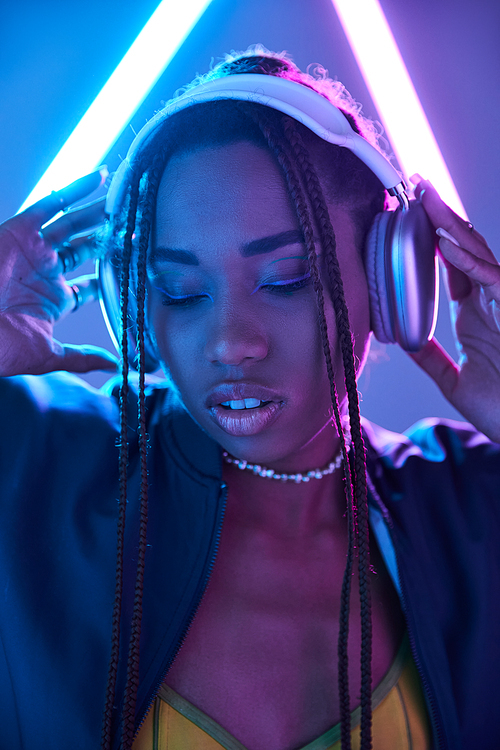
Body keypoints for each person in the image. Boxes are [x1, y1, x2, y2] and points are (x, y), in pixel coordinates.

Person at [0, 48, 499, 750]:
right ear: (134, 304)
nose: (230, 342)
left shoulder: (473, 506)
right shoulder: (32, 466)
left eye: (287, 277)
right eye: (180, 291)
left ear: (394, 276)